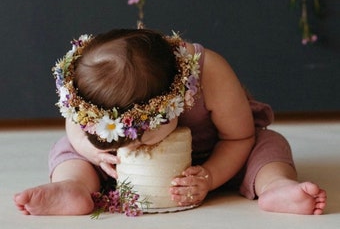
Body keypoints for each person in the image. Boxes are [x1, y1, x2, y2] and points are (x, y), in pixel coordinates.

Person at [14, 28, 327, 216]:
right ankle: (74, 187)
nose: (133, 146)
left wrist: (210, 175)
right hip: (120, 170)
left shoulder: (210, 74)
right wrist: (92, 151)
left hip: (217, 154)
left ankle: (276, 187)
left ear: (175, 102)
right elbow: (74, 126)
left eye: (140, 137)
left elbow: (240, 138)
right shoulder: (100, 111)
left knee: (269, 145)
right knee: (68, 148)